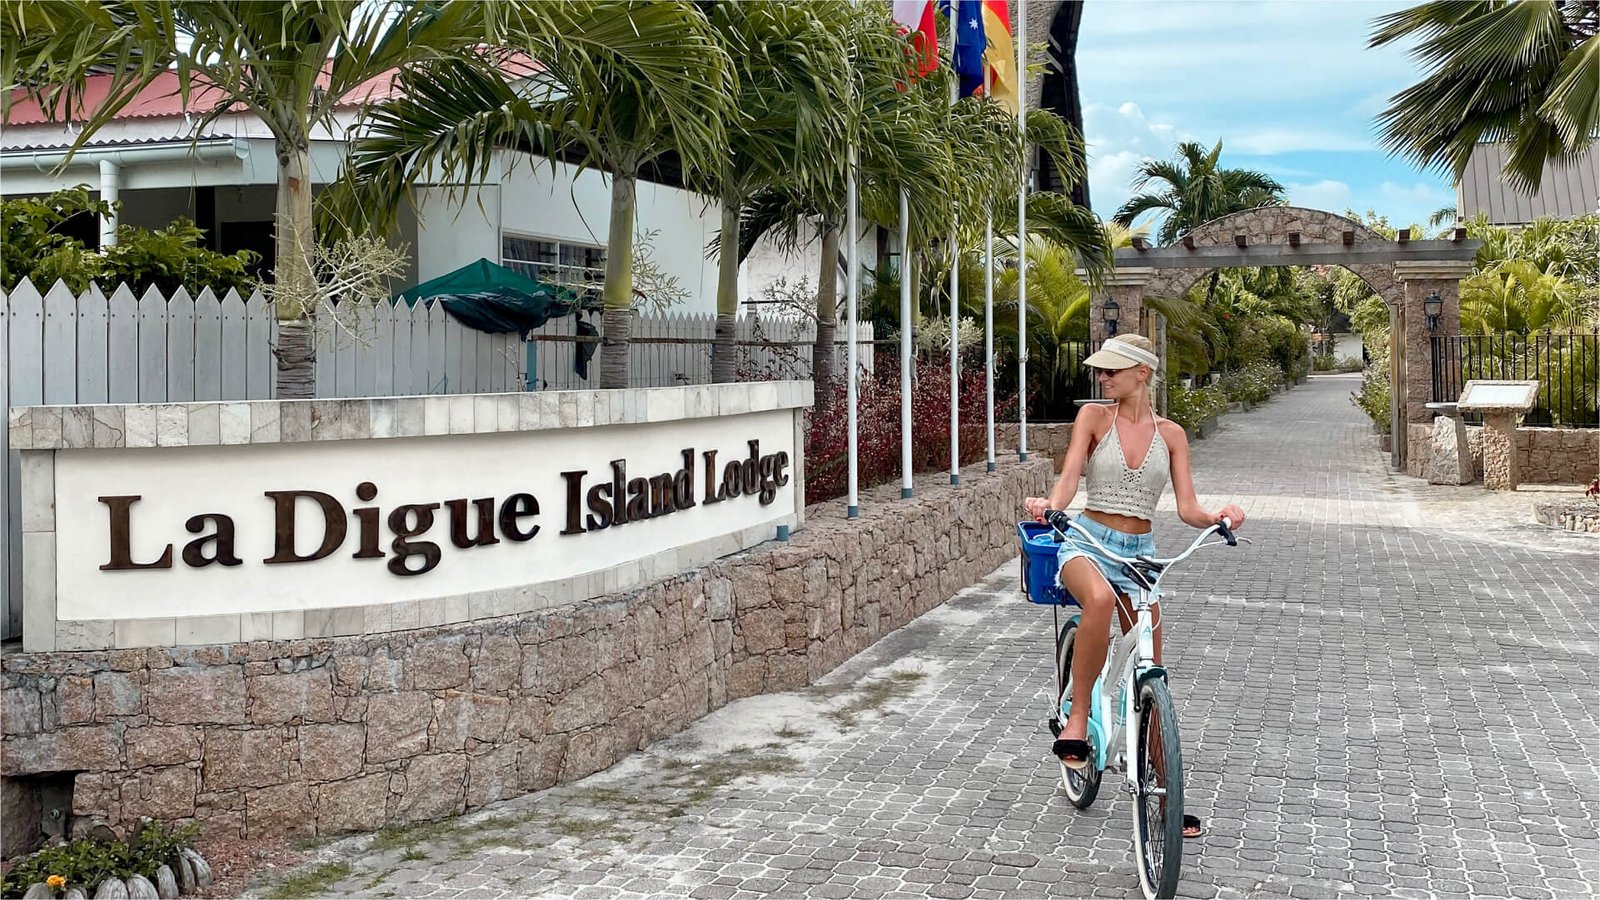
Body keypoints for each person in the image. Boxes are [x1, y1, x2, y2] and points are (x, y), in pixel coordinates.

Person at [1022, 333, 1245, 840]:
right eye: (1101, 371)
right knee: (1099, 600)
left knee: (1152, 672)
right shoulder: (1093, 418)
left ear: (1142, 373)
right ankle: (1078, 719)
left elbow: (1187, 508)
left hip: (1140, 555)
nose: (1102, 378)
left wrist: (1219, 516)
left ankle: (1168, 796)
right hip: (1085, 541)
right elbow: (1069, 479)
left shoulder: (1173, 435)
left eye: (1112, 370)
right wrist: (1049, 506)